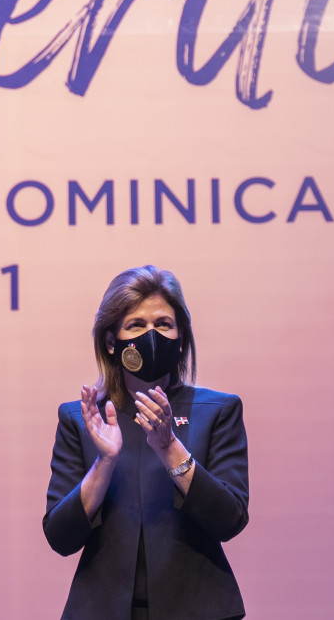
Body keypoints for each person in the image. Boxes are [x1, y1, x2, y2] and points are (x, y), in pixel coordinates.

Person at [43, 265, 249, 620]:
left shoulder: (218, 410)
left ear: (180, 338)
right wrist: (103, 463)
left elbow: (230, 520)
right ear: (112, 341)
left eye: (163, 324)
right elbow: (60, 537)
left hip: (200, 609)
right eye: (136, 325)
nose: (151, 335)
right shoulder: (81, 418)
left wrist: (170, 448)